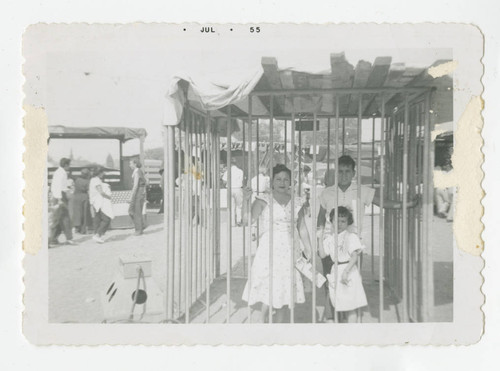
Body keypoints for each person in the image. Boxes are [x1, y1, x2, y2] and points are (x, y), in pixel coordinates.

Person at [241, 164, 313, 323]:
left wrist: (309, 249)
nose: (282, 182)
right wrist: (246, 201)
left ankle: (279, 325)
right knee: (269, 284)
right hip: (269, 249)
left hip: (290, 248)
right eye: (278, 179)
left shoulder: (297, 202)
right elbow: (247, 220)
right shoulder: (263, 200)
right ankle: (262, 320)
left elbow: (301, 228)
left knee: (285, 287)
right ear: (271, 182)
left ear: (291, 182)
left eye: (286, 179)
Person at [318, 206, 367, 323]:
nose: (339, 224)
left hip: (348, 270)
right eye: (336, 221)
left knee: (350, 305)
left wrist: (346, 272)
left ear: (348, 222)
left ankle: (351, 334)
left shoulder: (351, 236)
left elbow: (354, 256)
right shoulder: (330, 239)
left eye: (343, 221)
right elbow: (323, 255)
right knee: (339, 302)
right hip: (336, 269)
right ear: (332, 221)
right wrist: (319, 239)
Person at [48, 158, 76, 246]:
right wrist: (60, 199)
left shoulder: (57, 172)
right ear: (66, 165)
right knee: (64, 218)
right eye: (69, 165)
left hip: (56, 196)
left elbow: (56, 186)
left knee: (59, 218)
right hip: (60, 196)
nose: (70, 167)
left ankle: (53, 239)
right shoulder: (63, 173)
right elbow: (59, 186)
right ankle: (68, 238)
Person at [89, 166, 114, 243]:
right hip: (99, 202)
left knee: (98, 219)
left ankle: (97, 234)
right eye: (102, 172)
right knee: (107, 219)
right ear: (99, 173)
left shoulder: (93, 180)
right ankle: (98, 235)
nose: (103, 174)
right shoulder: (96, 180)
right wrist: (109, 197)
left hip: (94, 202)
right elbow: (101, 192)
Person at [222, 157, 244, 225]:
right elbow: (242, 181)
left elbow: (224, 181)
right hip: (238, 189)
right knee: (239, 206)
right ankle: (239, 221)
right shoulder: (240, 171)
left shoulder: (227, 171)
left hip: (230, 188)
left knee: (231, 206)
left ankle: (232, 222)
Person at [129, 158, 147, 235]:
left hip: (138, 192)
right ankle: (141, 225)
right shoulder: (138, 171)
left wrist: (131, 196)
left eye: (130, 163)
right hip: (140, 192)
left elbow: (135, 185)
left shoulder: (137, 172)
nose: (129, 165)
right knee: (132, 211)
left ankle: (139, 230)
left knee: (136, 211)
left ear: (135, 164)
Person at [72, 168, 91, 234]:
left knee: (77, 213)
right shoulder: (87, 181)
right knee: (85, 213)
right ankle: (83, 230)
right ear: (87, 174)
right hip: (84, 196)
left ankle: (76, 228)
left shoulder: (77, 180)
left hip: (76, 196)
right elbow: (88, 190)